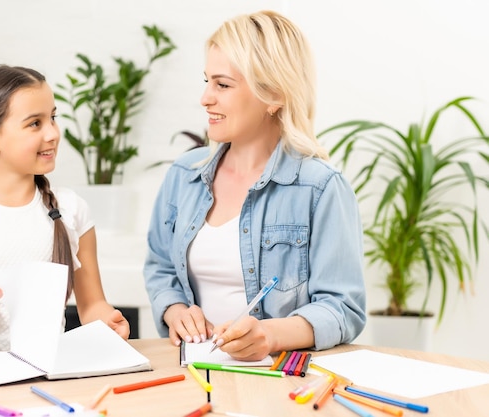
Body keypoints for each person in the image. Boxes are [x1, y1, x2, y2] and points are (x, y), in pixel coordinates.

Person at [143, 10, 366, 361]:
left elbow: (343, 307)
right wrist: (175, 311)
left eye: (223, 84)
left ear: (274, 93)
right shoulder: (184, 175)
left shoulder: (320, 189)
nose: (205, 98)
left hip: (278, 380)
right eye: (207, 81)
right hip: (190, 370)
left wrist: (270, 335)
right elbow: (160, 267)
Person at [0, 65, 129, 362]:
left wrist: (107, 321)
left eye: (53, 118)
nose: (53, 133)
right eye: (35, 123)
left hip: (41, 365)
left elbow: (92, 305)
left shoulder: (72, 210)